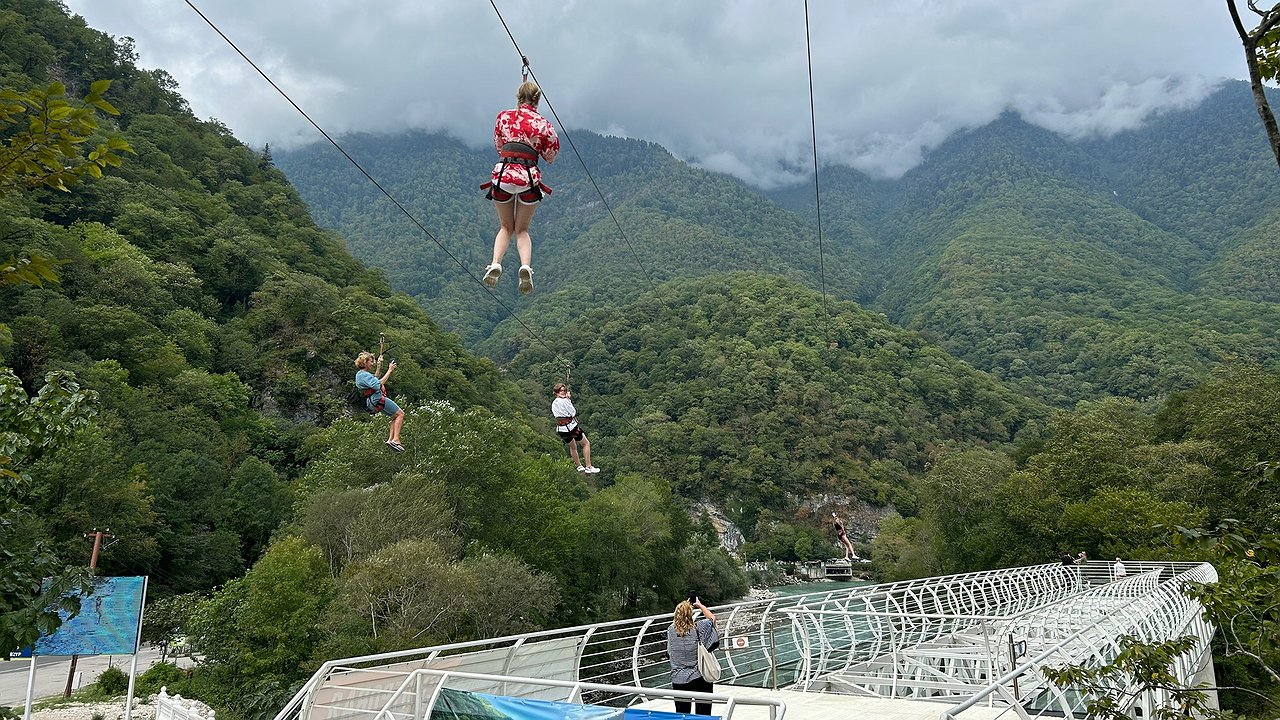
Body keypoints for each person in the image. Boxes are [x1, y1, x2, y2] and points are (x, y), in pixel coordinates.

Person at [480, 81, 560, 296]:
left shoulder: (503, 117)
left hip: (504, 175)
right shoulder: (544, 124)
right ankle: (525, 266)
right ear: (538, 99)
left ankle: (496, 263)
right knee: (521, 230)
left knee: (506, 226)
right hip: (528, 179)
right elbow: (550, 155)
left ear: (518, 96)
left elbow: (499, 145)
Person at [666, 598, 719, 716]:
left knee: (682, 714)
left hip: (678, 678)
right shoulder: (699, 628)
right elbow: (712, 619)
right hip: (699, 677)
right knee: (703, 713)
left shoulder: (670, 631)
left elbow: (669, 651)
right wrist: (700, 605)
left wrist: (683, 604)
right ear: (691, 615)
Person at [354, 351, 404, 452]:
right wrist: (390, 370)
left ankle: (391, 440)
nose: (372, 363)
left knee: (395, 416)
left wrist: (379, 366)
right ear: (365, 362)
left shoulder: (362, 375)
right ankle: (396, 439)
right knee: (400, 414)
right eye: (371, 361)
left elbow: (375, 379)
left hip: (372, 401)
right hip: (377, 398)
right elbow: (378, 384)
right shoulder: (362, 375)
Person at [551, 383, 599, 473]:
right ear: (557, 392)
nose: (563, 392)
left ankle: (579, 466)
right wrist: (568, 399)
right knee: (586, 443)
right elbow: (573, 412)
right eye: (561, 391)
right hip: (571, 427)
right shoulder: (565, 401)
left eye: (564, 391)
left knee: (572, 447)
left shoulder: (554, 403)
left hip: (561, 429)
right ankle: (588, 466)